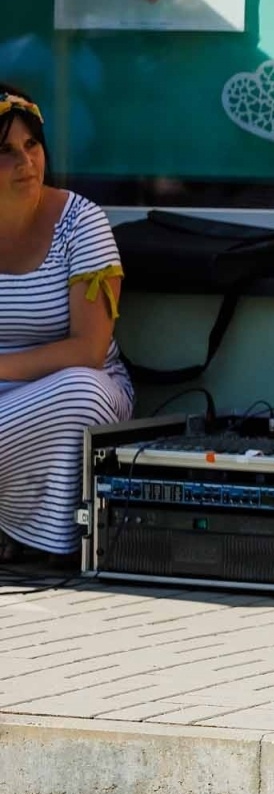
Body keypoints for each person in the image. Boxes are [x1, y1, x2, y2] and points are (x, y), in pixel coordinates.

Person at [0, 83, 134, 565]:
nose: (26, 162)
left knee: (82, 390)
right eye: (6, 151)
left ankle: (45, 543)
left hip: (73, 393)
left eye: (32, 145)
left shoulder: (81, 222)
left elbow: (88, 350)